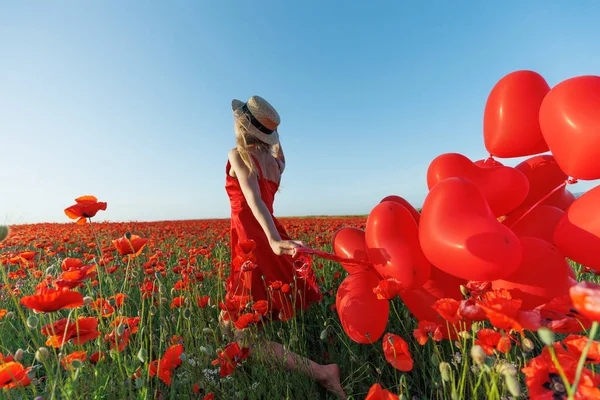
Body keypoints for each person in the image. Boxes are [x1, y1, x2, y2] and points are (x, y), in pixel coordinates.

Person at [220, 95, 346, 399]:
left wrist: (274, 241)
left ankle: (322, 373)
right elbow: (265, 192)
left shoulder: (239, 154)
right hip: (263, 237)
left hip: (257, 243)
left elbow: (254, 199)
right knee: (228, 321)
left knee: (246, 338)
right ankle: (230, 368)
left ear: (242, 126)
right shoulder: (278, 163)